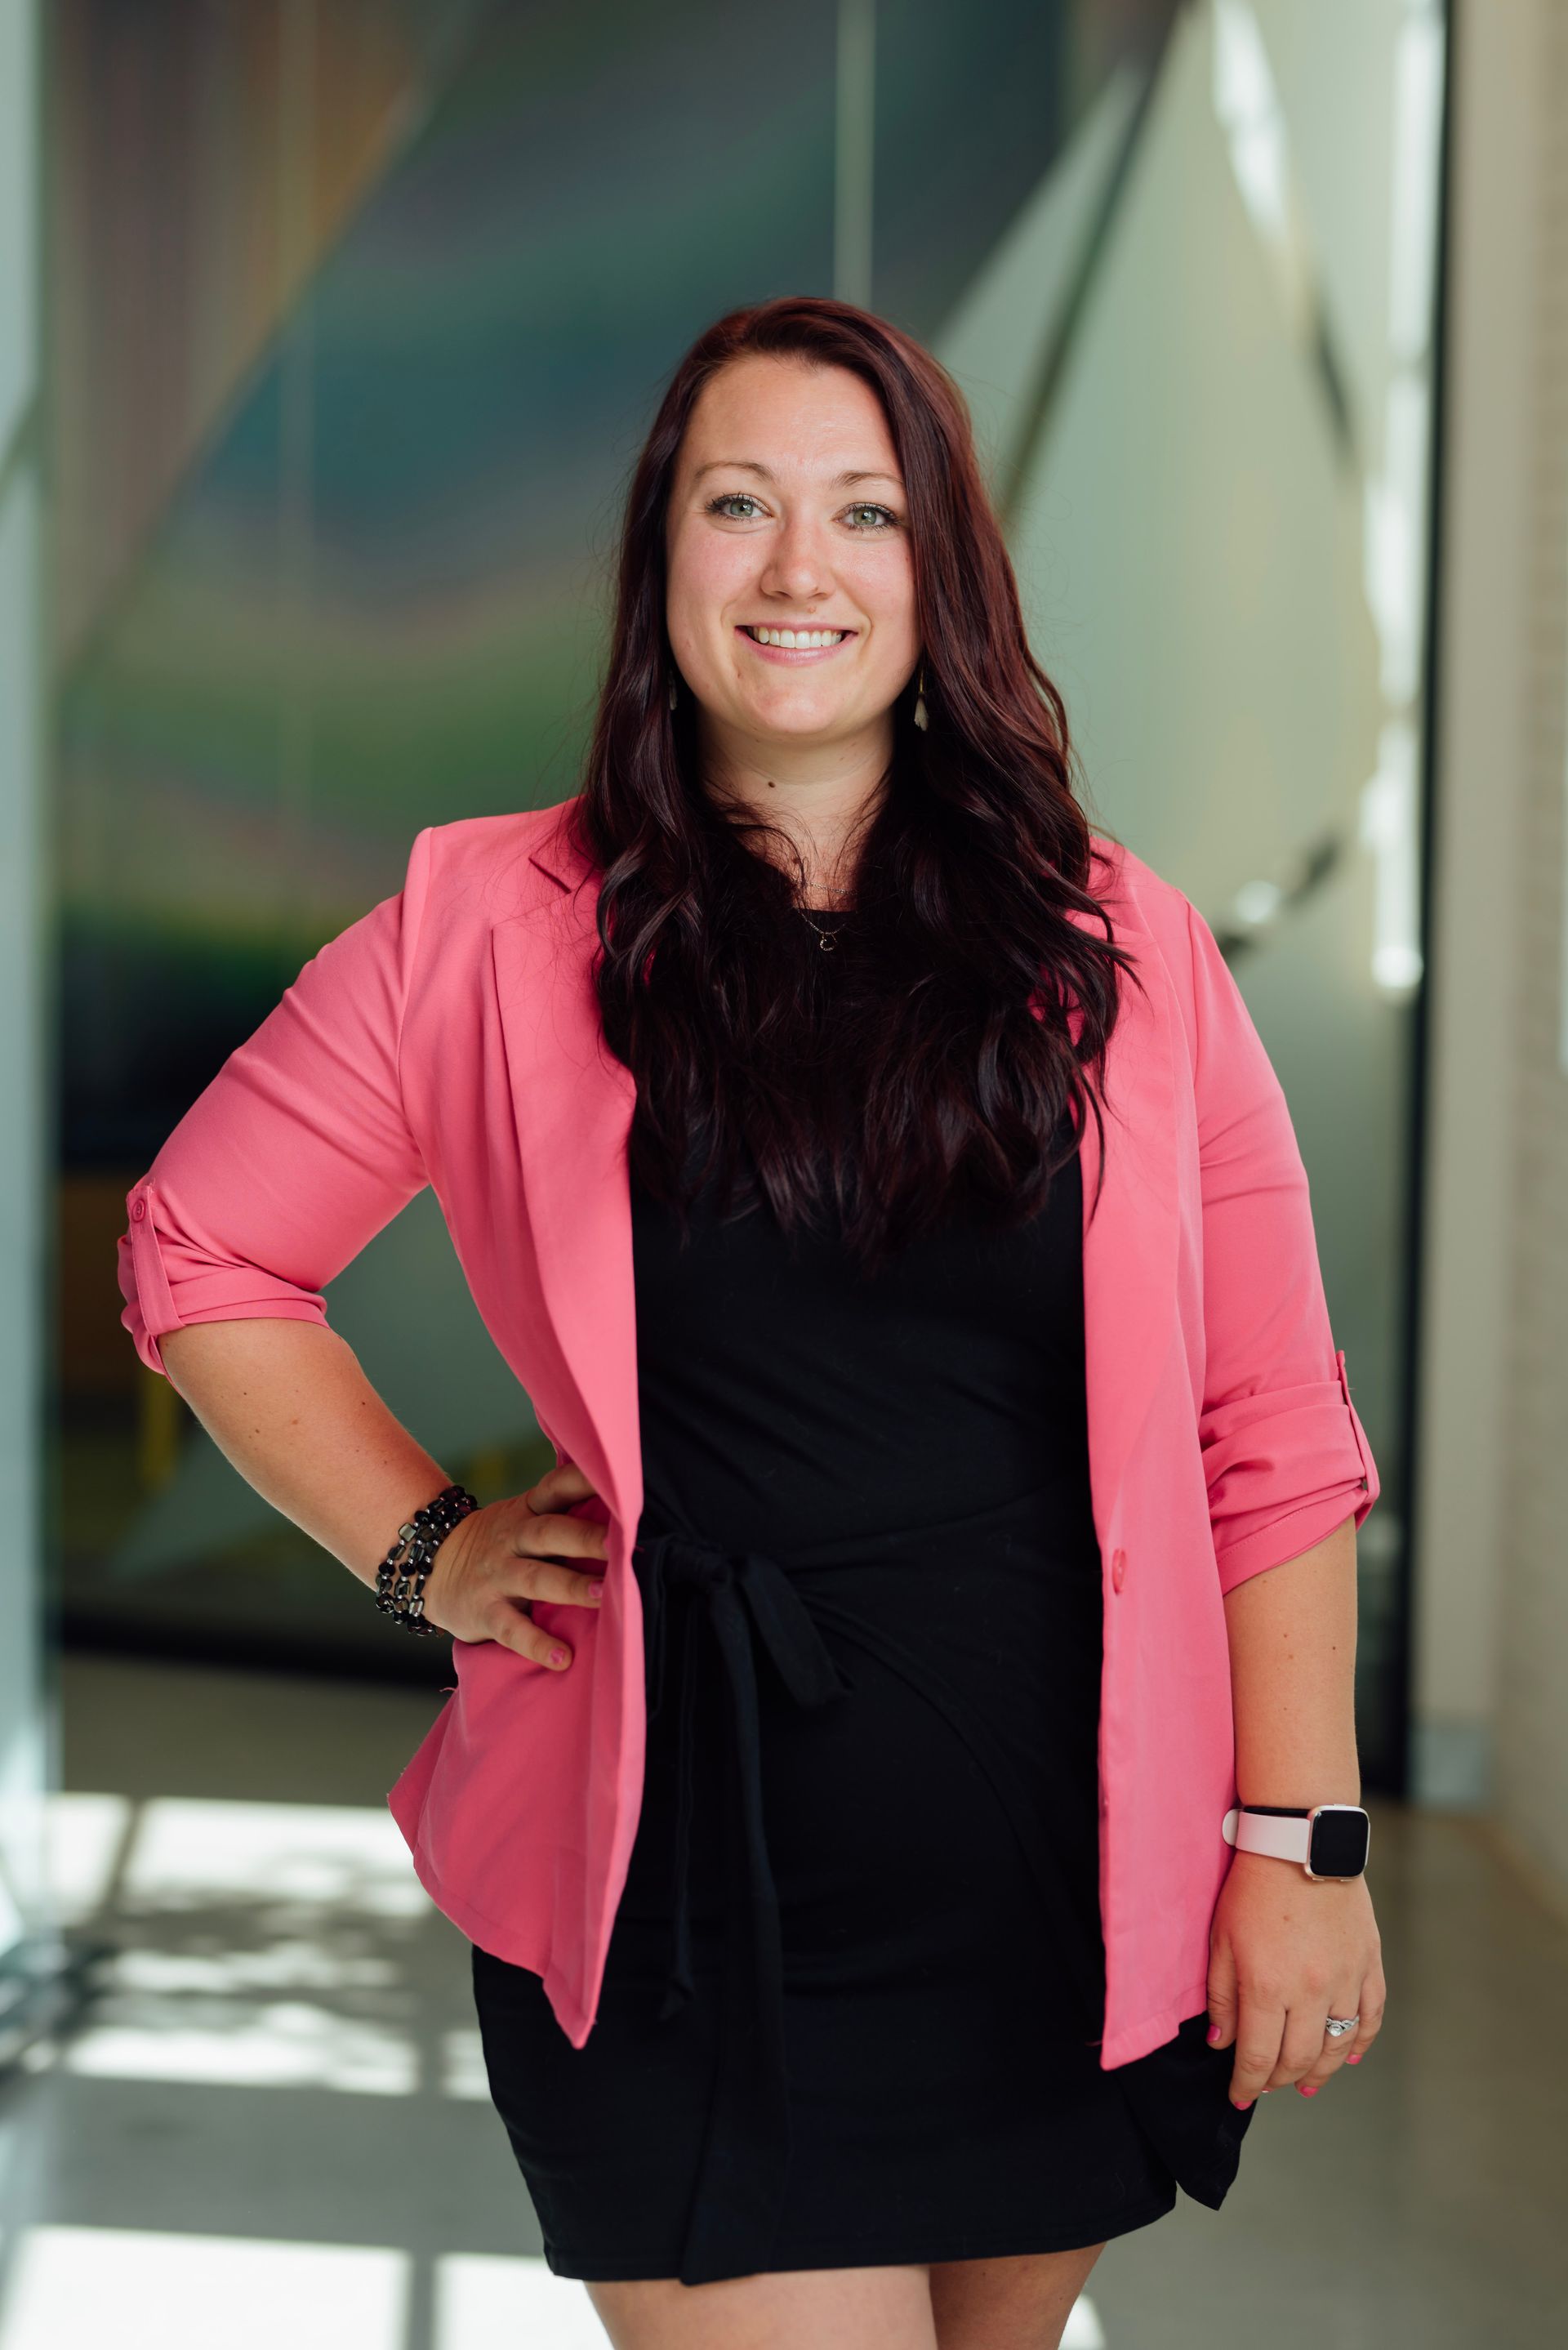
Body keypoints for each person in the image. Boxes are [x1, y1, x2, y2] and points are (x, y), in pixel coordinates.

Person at [117, 295, 1386, 2350]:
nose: (801, 568)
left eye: (866, 514)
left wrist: (1299, 1838)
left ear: (940, 574)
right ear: (663, 558)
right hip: (678, 1896)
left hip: (1058, 1886)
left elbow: (1273, 1418)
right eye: (740, 504)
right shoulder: (484, 926)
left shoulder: (1121, 942)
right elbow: (199, 1252)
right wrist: (427, 1547)